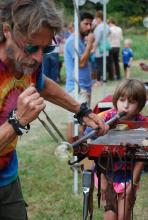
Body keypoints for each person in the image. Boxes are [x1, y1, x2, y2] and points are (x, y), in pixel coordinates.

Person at [0, 1, 109, 220]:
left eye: (47, 48)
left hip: (7, 177)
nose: (40, 57)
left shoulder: (28, 61)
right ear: (7, 31)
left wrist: (82, 112)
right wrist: (17, 121)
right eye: (31, 47)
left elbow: (42, 83)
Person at [86, 79, 148, 220]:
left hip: (129, 176)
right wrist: (103, 181)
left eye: (131, 102)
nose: (125, 106)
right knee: (110, 215)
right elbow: (91, 145)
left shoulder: (143, 123)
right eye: (122, 100)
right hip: (106, 174)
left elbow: (143, 156)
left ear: (140, 105)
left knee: (125, 215)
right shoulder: (104, 118)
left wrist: (133, 184)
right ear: (116, 100)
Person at [64, 12, 95, 143]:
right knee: (76, 123)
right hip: (77, 88)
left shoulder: (81, 41)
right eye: (85, 23)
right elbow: (81, 64)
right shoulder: (73, 41)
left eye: (90, 24)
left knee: (82, 122)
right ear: (78, 23)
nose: (88, 27)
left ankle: (78, 149)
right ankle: (73, 150)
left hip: (85, 87)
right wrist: (89, 45)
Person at [93, 10, 110, 85]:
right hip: (105, 47)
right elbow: (109, 33)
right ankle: (104, 79)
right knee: (104, 64)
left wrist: (93, 48)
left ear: (99, 18)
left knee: (99, 64)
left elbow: (97, 39)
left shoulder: (99, 27)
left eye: (96, 18)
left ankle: (98, 80)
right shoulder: (107, 25)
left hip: (99, 49)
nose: (96, 20)